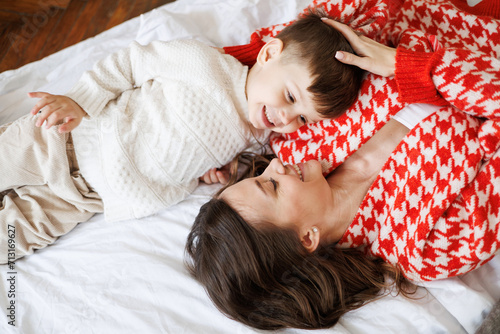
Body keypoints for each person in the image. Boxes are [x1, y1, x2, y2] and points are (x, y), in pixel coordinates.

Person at [185, 1, 500, 330]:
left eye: (259, 175)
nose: (275, 166)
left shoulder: (298, 134)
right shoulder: (427, 244)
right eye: (271, 185)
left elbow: (312, 34)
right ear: (307, 238)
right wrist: (407, 67)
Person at [0, 9, 365, 263]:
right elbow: (128, 64)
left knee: (16, 236)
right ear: (269, 53)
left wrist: (216, 173)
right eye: (289, 96)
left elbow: (205, 161)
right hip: (72, 136)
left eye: (301, 117)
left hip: (95, 196)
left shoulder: (257, 141)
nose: (285, 117)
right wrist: (81, 100)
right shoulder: (204, 64)